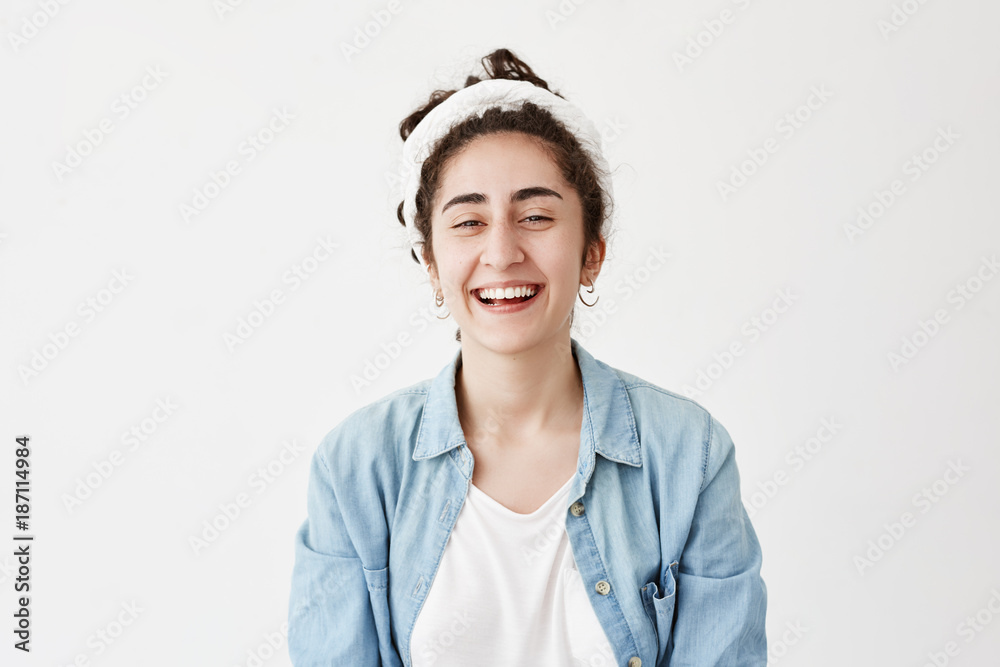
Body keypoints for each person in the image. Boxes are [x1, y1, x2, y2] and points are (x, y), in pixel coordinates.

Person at [288, 48, 767, 667]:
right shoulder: (357, 466)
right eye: (468, 222)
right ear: (432, 265)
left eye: (536, 215)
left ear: (592, 252)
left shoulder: (688, 455)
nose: (502, 251)